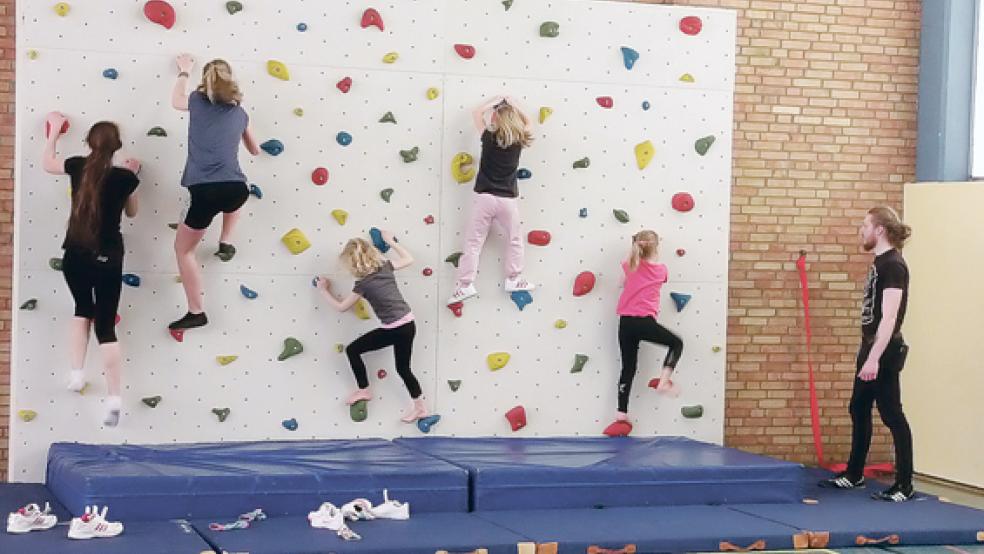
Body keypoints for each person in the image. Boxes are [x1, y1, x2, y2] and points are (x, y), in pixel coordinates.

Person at [42, 112, 140, 427]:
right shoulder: (126, 178)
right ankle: (113, 398)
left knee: (82, 309)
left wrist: (54, 131)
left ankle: (76, 374)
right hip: (108, 258)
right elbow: (133, 212)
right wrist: (132, 175)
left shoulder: (76, 166)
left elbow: (48, 162)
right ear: (117, 147)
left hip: (75, 255)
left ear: (88, 144)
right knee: (106, 327)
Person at [819, 207, 914, 502]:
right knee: (858, 407)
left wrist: (874, 357)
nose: (861, 230)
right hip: (870, 346)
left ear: (880, 230)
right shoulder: (880, 262)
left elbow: (889, 316)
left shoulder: (893, 265)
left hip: (883, 348)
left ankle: (904, 484)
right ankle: (854, 473)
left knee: (892, 414)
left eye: (865, 225)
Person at [168, 53, 261, 330]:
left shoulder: (197, 101)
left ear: (205, 82)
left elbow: (176, 101)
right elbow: (255, 149)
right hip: (236, 188)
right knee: (234, 197)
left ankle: (196, 311)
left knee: (183, 251)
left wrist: (184, 72)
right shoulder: (241, 113)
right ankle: (226, 241)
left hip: (205, 192)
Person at [315, 231, 430, 422]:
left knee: (353, 350)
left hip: (395, 329)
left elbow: (342, 307)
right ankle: (421, 408)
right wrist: (389, 241)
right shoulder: (385, 267)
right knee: (403, 369)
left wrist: (323, 290)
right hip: (408, 324)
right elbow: (409, 259)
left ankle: (364, 389)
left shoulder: (363, 284)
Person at [448, 95, 535, 305]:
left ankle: (465, 285)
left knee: (473, 243)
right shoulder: (519, 140)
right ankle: (513, 279)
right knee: (515, 239)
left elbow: (476, 114)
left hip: (485, 198)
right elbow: (530, 122)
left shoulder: (488, 136)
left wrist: (493, 102)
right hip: (507, 200)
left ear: (495, 118)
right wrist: (514, 105)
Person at [604, 230, 683, 437]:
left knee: (628, 368)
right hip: (644, 321)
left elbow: (621, 283)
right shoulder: (662, 270)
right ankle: (664, 381)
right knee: (676, 343)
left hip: (625, 324)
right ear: (657, 246)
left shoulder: (629, 265)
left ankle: (621, 413)